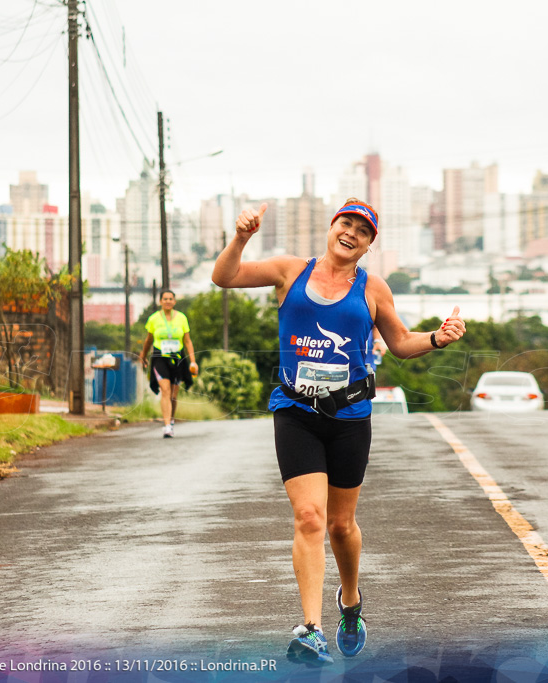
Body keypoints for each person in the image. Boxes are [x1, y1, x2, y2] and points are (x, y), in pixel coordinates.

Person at [212, 198, 466, 665]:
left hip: (349, 418)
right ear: (332, 227)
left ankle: (350, 601)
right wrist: (242, 237)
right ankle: (312, 630)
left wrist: (437, 337)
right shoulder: (291, 271)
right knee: (309, 516)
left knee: (340, 525)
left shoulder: (374, 290)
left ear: (369, 244)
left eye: (363, 231)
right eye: (346, 223)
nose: (351, 233)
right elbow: (224, 277)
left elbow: (402, 344)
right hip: (295, 411)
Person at [138, 289, 198, 438]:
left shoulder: (182, 318)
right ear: (160, 302)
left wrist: (193, 361)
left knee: (173, 394)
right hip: (159, 357)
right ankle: (166, 426)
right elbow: (149, 340)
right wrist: (143, 355)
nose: (168, 301)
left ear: (174, 301)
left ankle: (171, 420)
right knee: (165, 390)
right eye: (165, 299)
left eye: (171, 299)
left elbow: (187, 340)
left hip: (178, 357)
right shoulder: (153, 319)